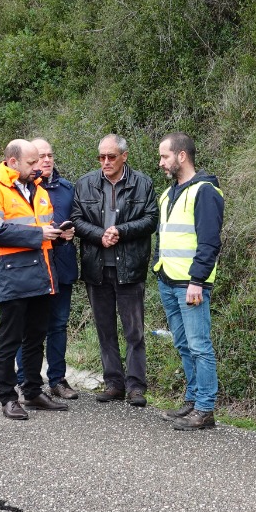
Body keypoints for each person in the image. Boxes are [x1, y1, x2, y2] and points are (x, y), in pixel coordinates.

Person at [0, 138, 70, 420]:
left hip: (43, 274)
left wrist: (59, 234)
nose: (38, 166)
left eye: (39, 161)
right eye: (31, 162)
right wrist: (39, 235)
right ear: (13, 162)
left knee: (35, 338)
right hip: (12, 274)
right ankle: (8, 397)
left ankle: (32, 391)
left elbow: (44, 229)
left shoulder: (40, 191)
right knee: (10, 341)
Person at [72, 134, 158, 407]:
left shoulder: (142, 183)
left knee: (134, 331)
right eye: (101, 157)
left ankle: (136, 387)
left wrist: (120, 231)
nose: (105, 162)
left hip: (130, 267)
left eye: (111, 156)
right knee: (105, 328)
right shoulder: (85, 184)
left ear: (124, 156)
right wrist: (100, 235)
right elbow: (76, 219)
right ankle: (113, 384)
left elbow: (151, 219)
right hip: (96, 267)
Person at [154, 132, 223, 430]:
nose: (161, 163)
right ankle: (193, 400)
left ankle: (205, 409)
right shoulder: (168, 194)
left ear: (182, 156)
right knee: (183, 344)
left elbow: (209, 242)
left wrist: (197, 280)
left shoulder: (205, 191)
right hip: (168, 279)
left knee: (199, 346)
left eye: (164, 156)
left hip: (190, 284)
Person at [16, 138, 80, 399]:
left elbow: (79, 219)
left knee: (59, 325)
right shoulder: (22, 190)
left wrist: (73, 230)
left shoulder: (68, 189)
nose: (46, 160)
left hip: (61, 266)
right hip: (32, 267)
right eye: (40, 156)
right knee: (28, 328)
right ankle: (25, 380)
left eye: (50, 155)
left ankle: (58, 379)